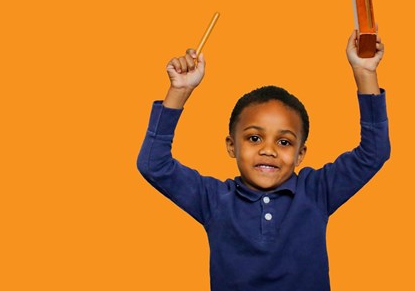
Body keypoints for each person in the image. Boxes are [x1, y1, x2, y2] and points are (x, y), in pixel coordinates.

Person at [137, 30, 390, 290]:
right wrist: (180, 91)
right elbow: (153, 164)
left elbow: (374, 152)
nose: (268, 150)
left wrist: (365, 73)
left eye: (284, 142)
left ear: (300, 154)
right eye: (254, 138)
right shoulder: (213, 199)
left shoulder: (316, 191)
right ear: (231, 146)